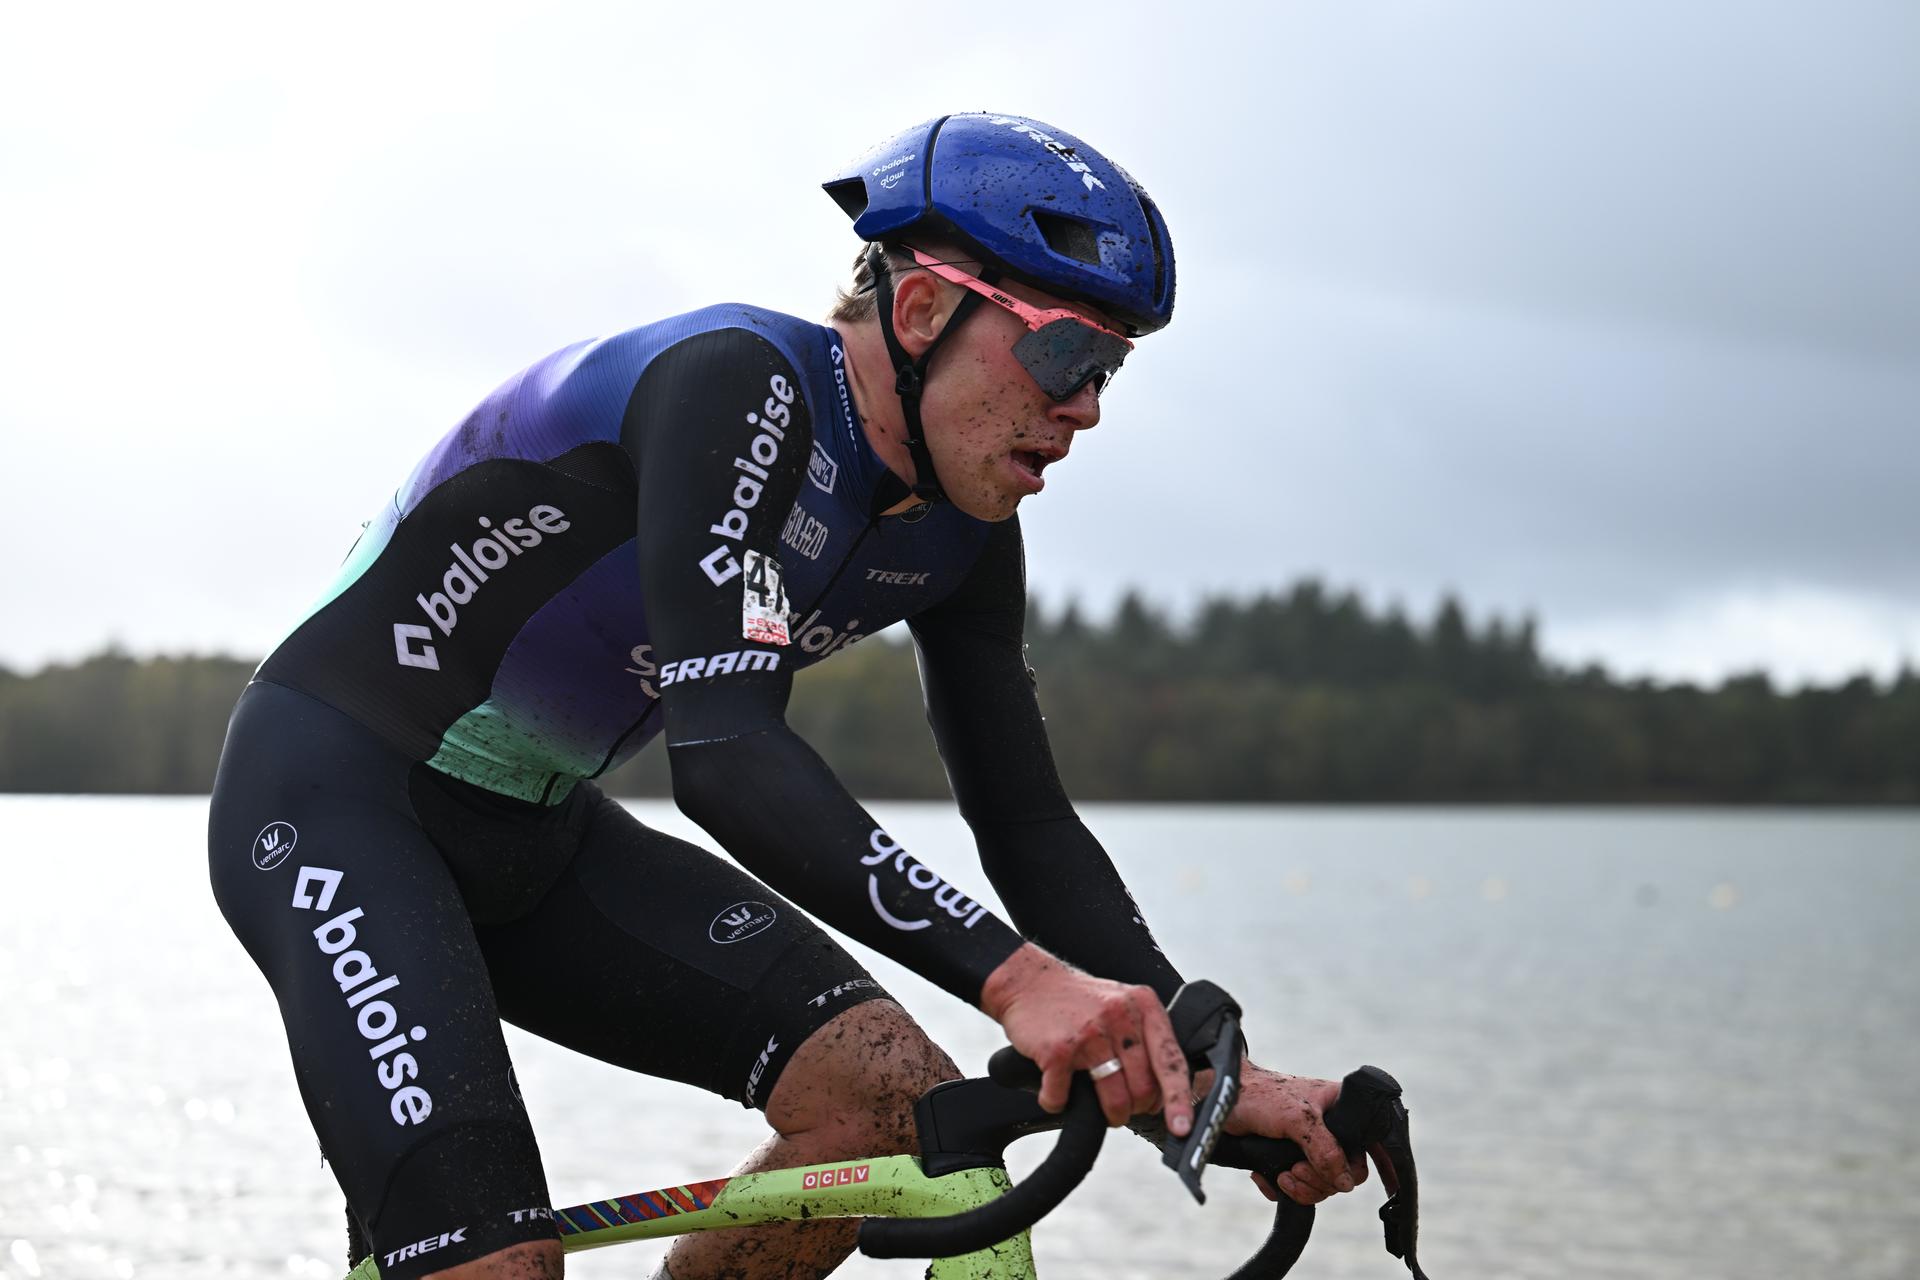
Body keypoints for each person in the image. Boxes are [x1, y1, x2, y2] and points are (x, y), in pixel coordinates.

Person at [208, 112, 1362, 1280]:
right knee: (500, 1263)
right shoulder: (739, 389)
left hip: (537, 834)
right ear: (922, 312)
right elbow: (725, 753)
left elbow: (1025, 822)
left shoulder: (965, 525)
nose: (1088, 408)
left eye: (1111, 369)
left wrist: (1199, 1057)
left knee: (893, 1108)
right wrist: (1019, 979)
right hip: (336, 802)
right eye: (1067, 356)